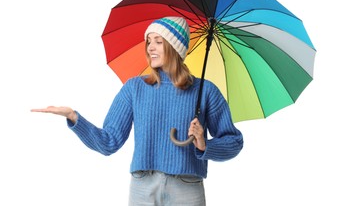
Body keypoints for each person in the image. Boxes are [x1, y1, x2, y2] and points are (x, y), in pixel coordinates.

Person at [31, 16, 243, 206]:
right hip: (143, 187)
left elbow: (234, 141)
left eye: (158, 42)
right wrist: (74, 118)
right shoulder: (135, 88)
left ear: (175, 47)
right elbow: (108, 142)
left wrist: (204, 144)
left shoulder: (205, 91)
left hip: (186, 188)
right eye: (149, 41)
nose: (151, 47)